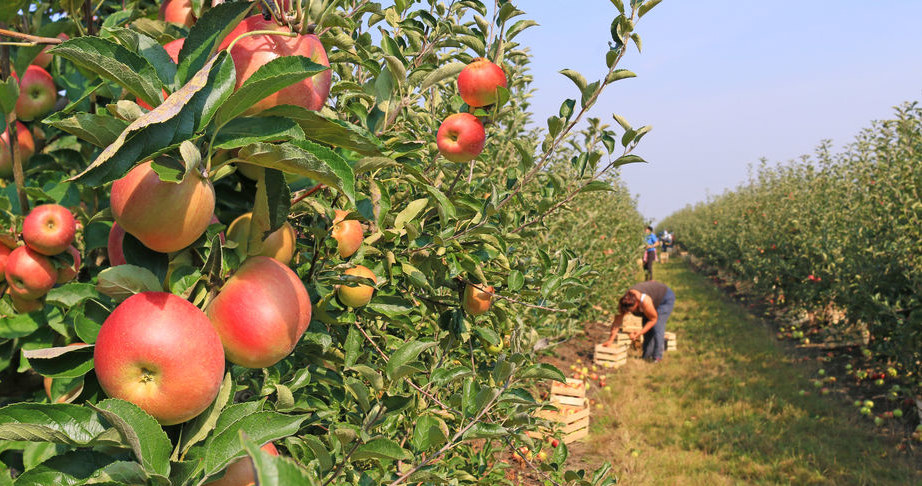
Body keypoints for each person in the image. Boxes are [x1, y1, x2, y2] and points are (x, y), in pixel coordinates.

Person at [602, 280, 676, 362]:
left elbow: (653, 320)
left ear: (637, 303)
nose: (630, 312)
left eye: (632, 310)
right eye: (627, 311)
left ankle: (657, 357)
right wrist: (610, 340)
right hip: (652, 301)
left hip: (664, 298)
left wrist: (640, 332)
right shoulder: (623, 302)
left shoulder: (645, 301)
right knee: (646, 328)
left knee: (657, 327)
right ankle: (646, 356)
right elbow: (616, 323)